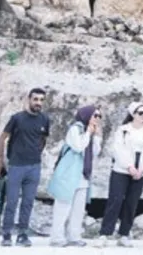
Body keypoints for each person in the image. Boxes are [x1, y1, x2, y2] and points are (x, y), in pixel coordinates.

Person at [0, 88, 51, 247]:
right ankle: (6, 234)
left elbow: (43, 140)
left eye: (41, 100)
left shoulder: (45, 119)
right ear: (29, 99)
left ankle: (23, 234)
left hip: (34, 167)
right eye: (35, 99)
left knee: (28, 202)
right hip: (16, 166)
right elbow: (2, 138)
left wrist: (35, 154)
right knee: (11, 201)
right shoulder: (17, 118)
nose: (38, 103)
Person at [100, 102, 143, 247]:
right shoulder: (123, 130)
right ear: (133, 114)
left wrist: (142, 169)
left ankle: (124, 233)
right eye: (140, 113)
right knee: (115, 199)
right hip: (121, 169)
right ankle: (105, 233)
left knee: (132, 202)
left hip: (140, 171)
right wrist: (129, 166)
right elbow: (118, 149)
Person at [47, 106, 101, 247]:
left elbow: (95, 152)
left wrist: (96, 136)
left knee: (78, 208)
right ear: (87, 115)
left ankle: (74, 236)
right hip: (70, 174)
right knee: (63, 206)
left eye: (99, 116)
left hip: (83, 175)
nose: (98, 119)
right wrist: (88, 133)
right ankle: (57, 238)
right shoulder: (75, 129)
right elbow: (78, 146)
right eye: (95, 116)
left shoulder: (91, 132)